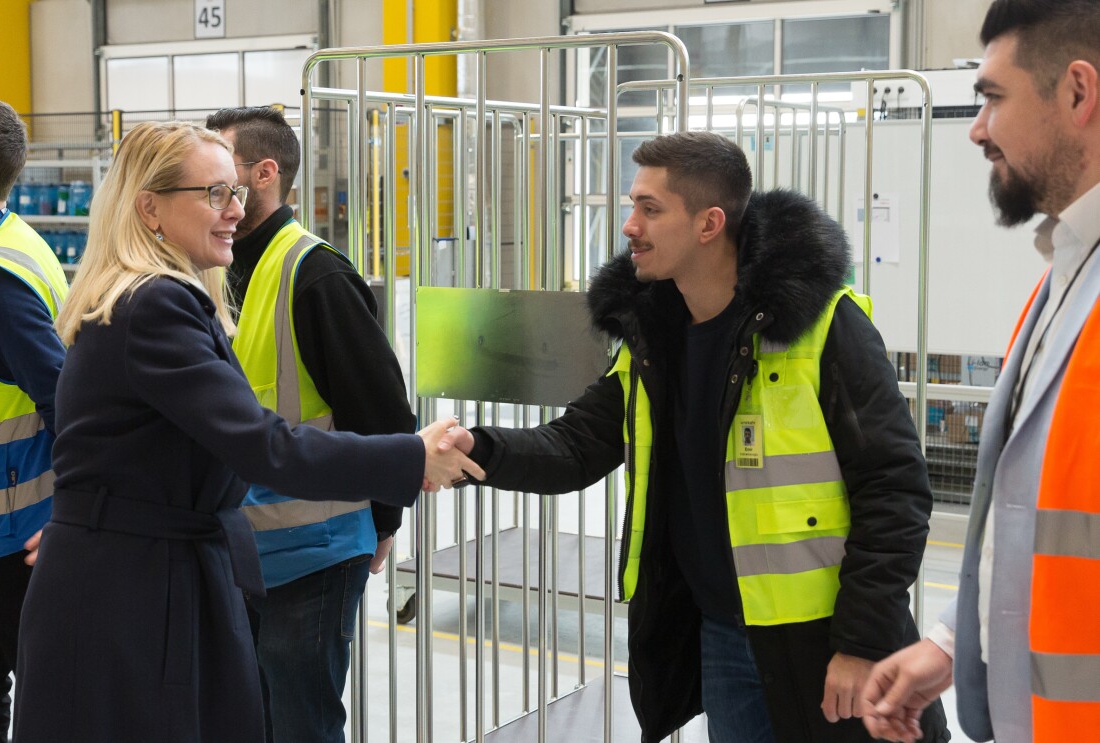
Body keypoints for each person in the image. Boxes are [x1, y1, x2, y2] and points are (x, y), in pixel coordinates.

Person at [438, 131, 949, 743]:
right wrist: (479, 449)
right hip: (721, 635)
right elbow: (577, 446)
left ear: (709, 224)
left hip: (823, 637)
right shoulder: (655, 338)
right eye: (632, 205)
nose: (629, 226)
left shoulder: (823, 327)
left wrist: (862, 641)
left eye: (650, 209)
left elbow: (894, 490)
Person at [11, 121, 482, 743]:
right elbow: (263, 446)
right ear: (149, 208)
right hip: (137, 586)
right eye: (214, 194)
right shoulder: (153, 305)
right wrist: (412, 457)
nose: (235, 209)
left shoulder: (158, 299)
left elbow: (125, 453)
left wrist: (94, 521)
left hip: (148, 567)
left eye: (234, 191)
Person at [863, 2, 1100, 742]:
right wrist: (950, 641)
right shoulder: (1066, 273)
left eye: (992, 97)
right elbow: (1036, 523)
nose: (975, 128)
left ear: (1078, 92)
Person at [204, 105, 413, 743]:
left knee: (300, 725)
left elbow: (383, 414)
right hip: (237, 550)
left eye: (222, 171)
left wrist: (385, 522)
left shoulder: (315, 274)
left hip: (313, 555)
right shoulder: (212, 268)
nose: (210, 186)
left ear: (263, 174)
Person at [0, 96, 67, 743]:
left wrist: (73, 512)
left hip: (13, 531)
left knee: (50, 702)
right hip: (5, 525)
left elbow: (66, 397)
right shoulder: (13, 242)